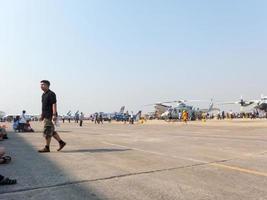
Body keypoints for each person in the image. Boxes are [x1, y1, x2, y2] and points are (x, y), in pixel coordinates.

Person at [38, 80, 66, 153]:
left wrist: (54, 114)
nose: (41, 86)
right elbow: (43, 106)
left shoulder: (51, 94)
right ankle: (61, 142)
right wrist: (42, 115)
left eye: (43, 85)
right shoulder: (43, 95)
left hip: (50, 115)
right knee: (51, 131)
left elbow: (54, 104)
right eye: (41, 85)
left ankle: (47, 147)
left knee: (47, 131)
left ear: (47, 85)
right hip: (46, 115)